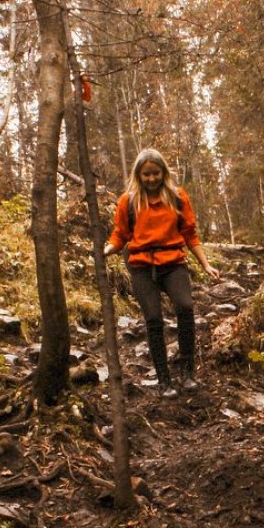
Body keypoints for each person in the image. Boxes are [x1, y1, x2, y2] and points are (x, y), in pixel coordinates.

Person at [103, 148, 217, 398]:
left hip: (173, 262)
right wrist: (108, 249)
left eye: (155, 173)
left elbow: (190, 234)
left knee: (185, 308)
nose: (151, 179)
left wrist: (206, 264)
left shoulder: (177, 197)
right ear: (139, 175)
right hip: (142, 265)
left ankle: (187, 373)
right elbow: (120, 234)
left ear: (163, 173)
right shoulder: (129, 201)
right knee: (153, 319)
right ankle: (164, 380)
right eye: (146, 175)